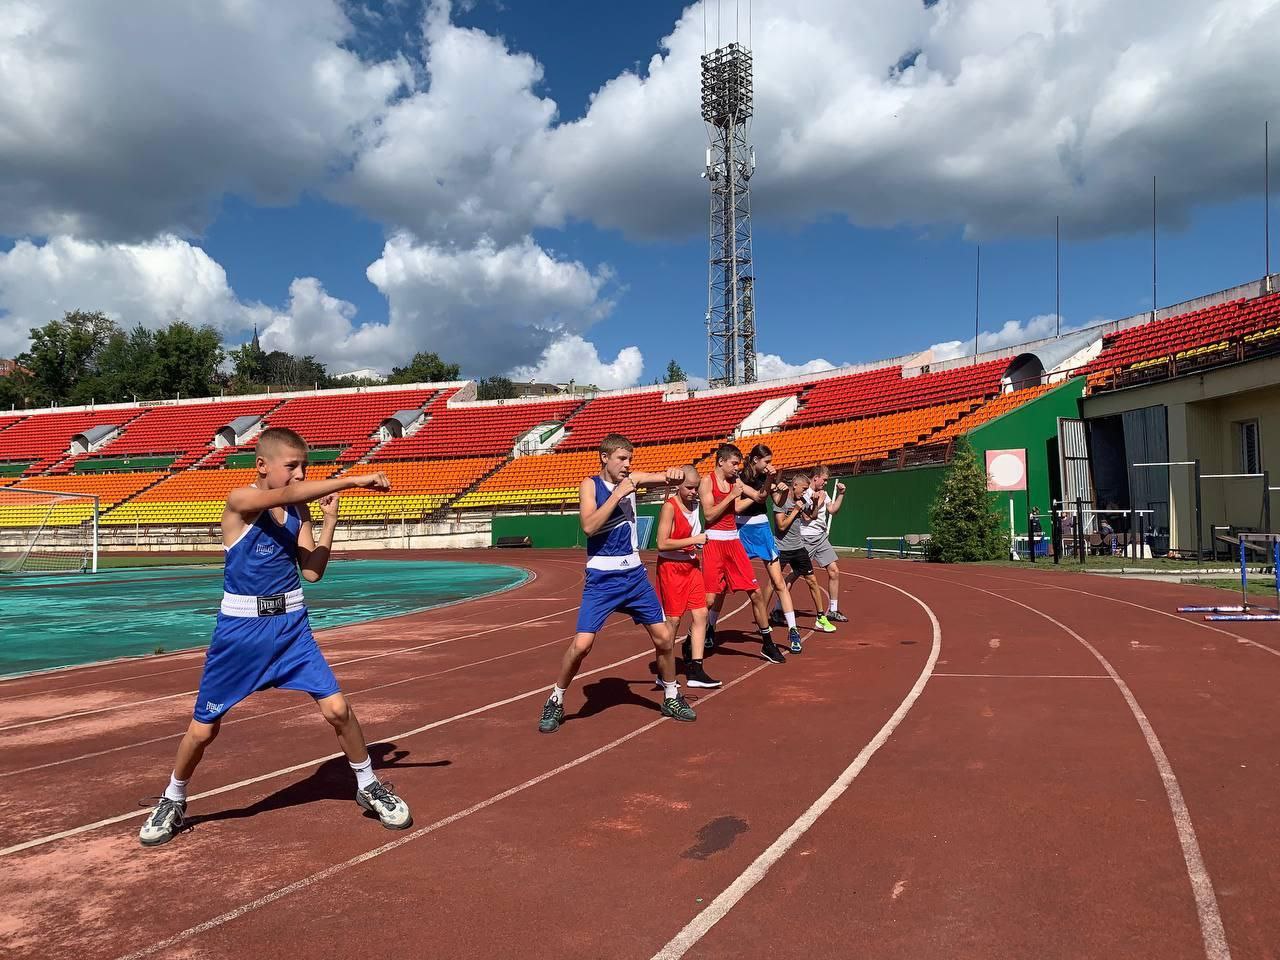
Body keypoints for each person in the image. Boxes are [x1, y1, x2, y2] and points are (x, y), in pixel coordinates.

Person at [138, 428, 411, 847]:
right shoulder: (240, 501)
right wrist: (353, 479)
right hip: (240, 634)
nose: (300, 475)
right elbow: (276, 499)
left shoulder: (299, 510)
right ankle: (173, 797)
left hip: (292, 629)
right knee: (204, 730)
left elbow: (313, 572)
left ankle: (368, 783)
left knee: (338, 709)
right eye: (292, 466)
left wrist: (330, 523)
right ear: (261, 465)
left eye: (305, 467)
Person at [538, 434, 695, 734]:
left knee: (664, 638)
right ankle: (556, 699)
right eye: (622, 459)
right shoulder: (590, 485)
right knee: (583, 645)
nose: (627, 465)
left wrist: (675, 472)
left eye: (630, 460)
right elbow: (588, 526)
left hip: (634, 576)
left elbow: (664, 476)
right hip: (602, 579)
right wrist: (618, 494)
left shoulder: (633, 479)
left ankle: (671, 696)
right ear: (604, 457)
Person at [700, 443, 790, 664]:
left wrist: (770, 480)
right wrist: (732, 497)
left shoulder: (736, 480)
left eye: (738, 464)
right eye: (733, 464)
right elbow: (709, 515)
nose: (737, 468)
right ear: (721, 462)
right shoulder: (706, 481)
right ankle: (701, 633)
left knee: (756, 593)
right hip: (715, 542)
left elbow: (760, 497)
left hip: (733, 541)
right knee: (711, 597)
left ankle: (768, 644)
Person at [735, 443, 806, 653]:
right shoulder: (740, 476)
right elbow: (752, 499)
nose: (769, 465)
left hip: (762, 528)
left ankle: (793, 630)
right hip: (741, 528)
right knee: (726, 582)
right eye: (766, 461)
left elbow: (776, 500)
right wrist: (766, 485)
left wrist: (782, 491)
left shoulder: (767, 477)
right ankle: (710, 625)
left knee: (778, 581)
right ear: (755, 460)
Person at [654, 465, 719, 689]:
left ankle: (696, 669)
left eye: (696, 488)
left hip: (691, 566)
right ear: (679, 486)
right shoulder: (669, 508)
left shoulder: (695, 505)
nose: (693, 492)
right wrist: (694, 541)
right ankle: (664, 672)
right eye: (689, 488)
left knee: (701, 614)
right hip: (671, 568)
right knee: (673, 621)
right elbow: (662, 543)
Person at [769, 473, 831, 631]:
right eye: (803, 489)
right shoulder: (782, 500)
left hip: (798, 547)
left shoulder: (803, 500)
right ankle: (763, 617)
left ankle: (820, 618)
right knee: (773, 583)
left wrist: (815, 504)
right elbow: (781, 526)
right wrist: (796, 510)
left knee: (812, 581)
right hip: (781, 548)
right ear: (794, 485)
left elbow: (812, 516)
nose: (805, 493)